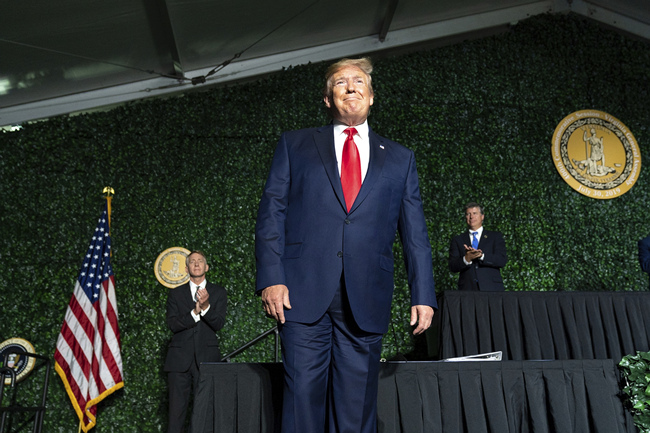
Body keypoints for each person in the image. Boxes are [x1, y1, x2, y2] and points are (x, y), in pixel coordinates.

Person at [255, 57, 437, 433]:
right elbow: (271, 214)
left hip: (366, 295)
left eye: (358, 81)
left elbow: (415, 233)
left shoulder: (401, 159)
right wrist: (271, 277)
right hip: (301, 295)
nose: (350, 87)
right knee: (302, 398)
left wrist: (423, 294)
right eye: (340, 82)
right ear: (327, 99)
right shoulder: (295, 144)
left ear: (371, 96)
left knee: (356, 408)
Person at [164, 250, 227, 433]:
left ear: (206, 267)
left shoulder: (218, 292)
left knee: (205, 412)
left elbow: (218, 324)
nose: (197, 264)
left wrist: (206, 307)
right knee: (176, 414)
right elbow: (173, 324)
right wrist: (194, 313)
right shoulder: (175, 293)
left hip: (207, 359)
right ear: (186, 268)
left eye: (200, 261)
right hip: (178, 360)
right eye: (192, 261)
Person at [449, 202, 507, 291]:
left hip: (492, 289)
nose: (471, 217)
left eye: (475, 213)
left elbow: (501, 260)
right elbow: (452, 266)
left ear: (482, 216)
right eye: (468, 214)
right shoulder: (458, 240)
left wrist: (482, 256)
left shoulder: (495, 237)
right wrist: (466, 259)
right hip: (467, 289)